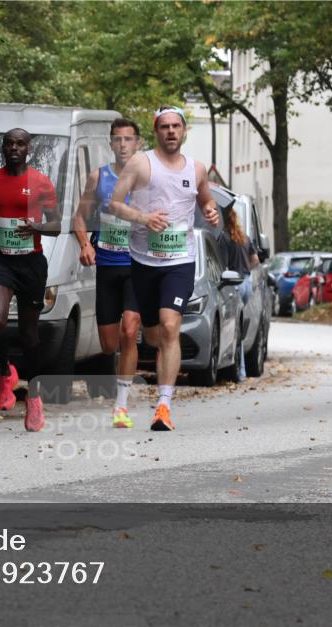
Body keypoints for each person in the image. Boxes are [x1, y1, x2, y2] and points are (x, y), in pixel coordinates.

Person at [108, 106, 220, 431]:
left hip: (180, 261)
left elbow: (206, 201)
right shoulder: (142, 164)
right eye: (165, 126)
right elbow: (114, 204)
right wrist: (144, 219)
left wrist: (211, 212)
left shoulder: (197, 169)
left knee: (172, 328)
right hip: (143, 261)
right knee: (153, 335)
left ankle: (164, 406)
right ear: (156, 131)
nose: (171, 131)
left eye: (176, 126)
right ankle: (127, 400)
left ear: (184, 132)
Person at [0, 128, 61, 432]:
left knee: (29, 336)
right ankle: (7, 372)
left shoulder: (40, 182)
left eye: (20, 144)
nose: (14, 148)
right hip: (0, 261)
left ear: (28, 149)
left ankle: (34, 399)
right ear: (2, 148)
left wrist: (36, 227)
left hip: (31, 264)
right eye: (9, 144)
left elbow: (57, 224)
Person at [71, 118, 143, 428]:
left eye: (129, 139)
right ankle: (121, 382)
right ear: (111, 143)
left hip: (138, 266)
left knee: (130, 331)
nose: (123, 144)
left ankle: (121, 405)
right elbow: (79, 217)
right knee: (109, 344)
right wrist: (85, 243)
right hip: (107, 266)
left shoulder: (148, 179)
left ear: (138, 143)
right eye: (118, 139)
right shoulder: (98, 177)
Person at [218, 206, 259, 381]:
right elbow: (255, 259)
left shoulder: (224, 238)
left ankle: (238, 371)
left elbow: (222, 264)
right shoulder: (245, 238)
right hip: (246, 282)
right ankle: (240, 371)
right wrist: (245, 271)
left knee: (231, 327)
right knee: (238, 326)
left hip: (232, 283)